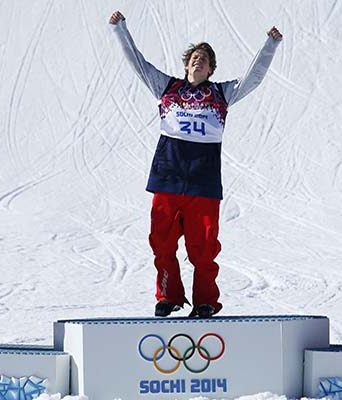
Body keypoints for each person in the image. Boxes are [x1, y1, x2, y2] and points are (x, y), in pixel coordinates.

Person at [109, 10, 282, 318]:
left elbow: (252, 79)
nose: (198, 61)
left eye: (204, 59)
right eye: (194, 57)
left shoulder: (221, 94)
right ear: (186, 64)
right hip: (167, 178)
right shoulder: (168, 88)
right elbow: (138, 64)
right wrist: (119, 29)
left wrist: (269, 45)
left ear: (211, 68)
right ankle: (168, 296)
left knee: (203, 249)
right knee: (161, 244)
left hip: (203, 183)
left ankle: (205, 302)